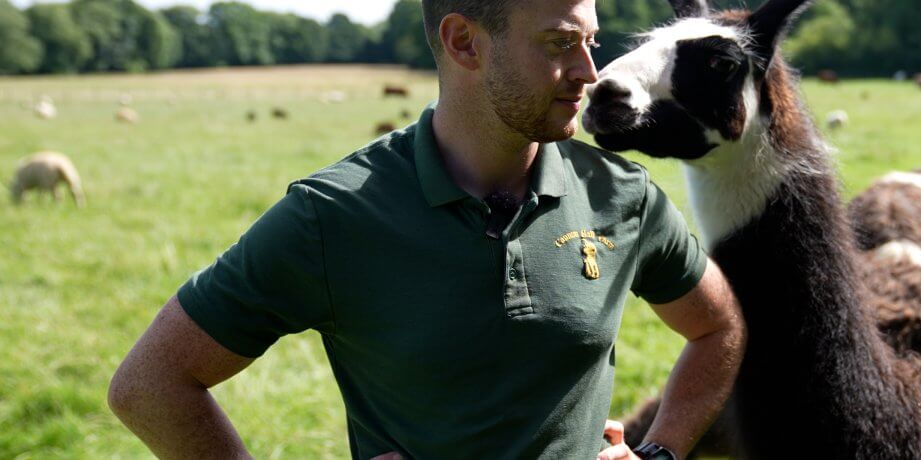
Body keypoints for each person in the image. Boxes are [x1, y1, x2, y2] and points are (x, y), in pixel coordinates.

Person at [106, 0, 746, 458]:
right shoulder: (333, 214)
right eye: (559, 43)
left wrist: (659, 453)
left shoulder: (621, 194)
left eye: (591, 42)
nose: (589, 71)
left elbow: (719, 326)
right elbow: (149, 386)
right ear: (465, 42)